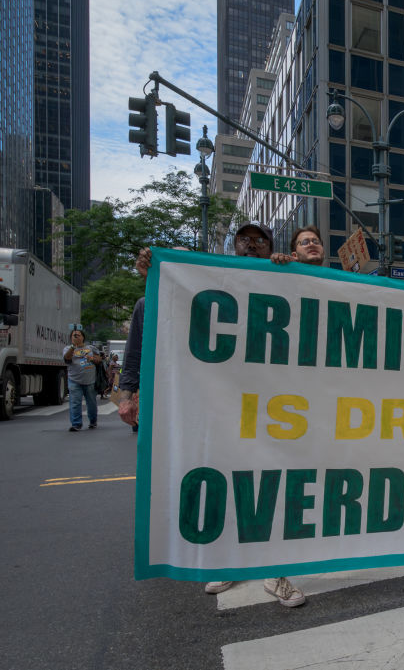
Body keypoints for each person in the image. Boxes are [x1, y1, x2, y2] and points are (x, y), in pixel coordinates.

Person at [127, 225, 307, 607]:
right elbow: (154, 324)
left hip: (275, 414)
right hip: (220, 412)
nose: (251, 246)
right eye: (244, 240)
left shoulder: (284, 283)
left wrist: (290, 269)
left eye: (260, 242)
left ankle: (276, 572)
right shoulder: (213, 288)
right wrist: (161, 274)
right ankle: (228, 562)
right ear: (232, 248)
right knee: (227, 487)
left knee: (272, 489)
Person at [63, 329, 103, 431]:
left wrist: (93, 359)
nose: (76, 337)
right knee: (75, 403)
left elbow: (99, 360)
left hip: (90, 381)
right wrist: (73, 347)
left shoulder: (91, 348)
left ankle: (93, 421)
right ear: (71, 338)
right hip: (74, 380)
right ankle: (76, 424)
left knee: (91, 403)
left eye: (78, 335)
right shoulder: (67, 348)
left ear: (83, 337)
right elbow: (67, 359)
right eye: (74, 335)